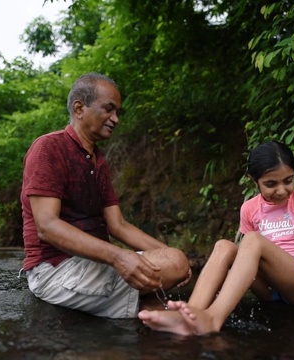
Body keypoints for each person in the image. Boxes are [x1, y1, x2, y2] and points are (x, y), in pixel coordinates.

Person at [21, 72, 191, 319]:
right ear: (79, 108)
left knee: (174, 279)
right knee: (174, 266)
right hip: (54, 270)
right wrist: (119, 256)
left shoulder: (97, 161)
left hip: (92, 265)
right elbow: (47, 226)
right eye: (109, 110)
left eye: (118, 112)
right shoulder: (49, 148)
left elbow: (118, 225)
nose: (116, 119)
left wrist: (172, 256)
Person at [138, 140, 294, 335]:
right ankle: (191, 314)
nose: (281, 190)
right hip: (269, 288)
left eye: (288, 181)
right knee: (225, 245)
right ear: (253, 180)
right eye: (271, 184)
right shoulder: (249, 208)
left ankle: (214, 318)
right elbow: (245, 258)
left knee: (252, 240)